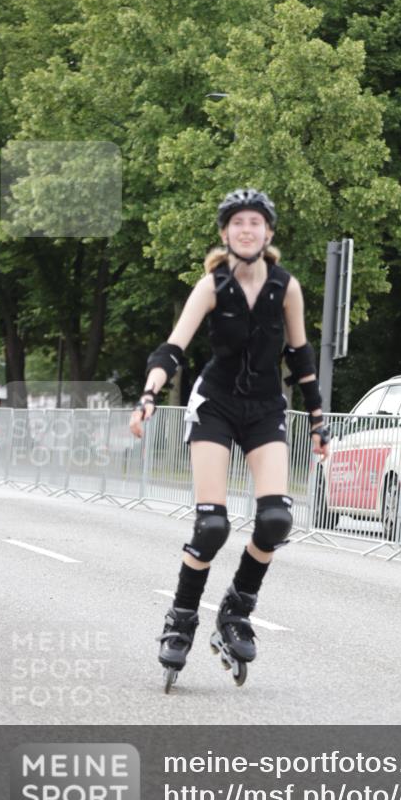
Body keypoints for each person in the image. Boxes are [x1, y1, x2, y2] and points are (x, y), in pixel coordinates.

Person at [129, 188, 330, 689]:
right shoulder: (212, 285)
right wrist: (149, 395)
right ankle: (180, 621)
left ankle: (236, 610)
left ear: (269, 233)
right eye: (237, 222)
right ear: (225, 233)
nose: (246, 230)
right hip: (215, 405)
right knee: (212, 526)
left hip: (265, 409)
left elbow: (301, 359)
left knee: (277, 518)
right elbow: (173, 348)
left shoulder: (286, 287)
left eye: (255, 222)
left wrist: (320, 420)